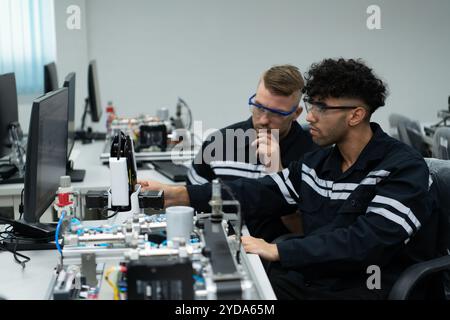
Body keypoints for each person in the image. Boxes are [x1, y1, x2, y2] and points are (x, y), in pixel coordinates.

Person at [140, 58, 439, 299]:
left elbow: (365, 243)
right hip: (318, 279)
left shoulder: (402, 169)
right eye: (311, 106)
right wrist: (178, 194)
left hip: (371, 287)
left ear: (355, 115)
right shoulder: (318, 161)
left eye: (321, 108)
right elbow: (259, 191)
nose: (309, 117)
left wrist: (278, 250)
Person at [187, 64, 317, 186]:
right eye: (259, 107)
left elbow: (314, 209)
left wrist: (277, 171)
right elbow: (189, 204)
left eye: (277, 113)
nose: (264, 120)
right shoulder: (217, 143)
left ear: (296, 113)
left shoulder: (316, 154)